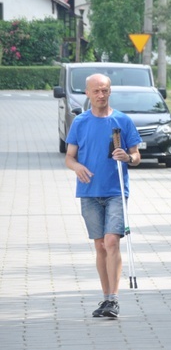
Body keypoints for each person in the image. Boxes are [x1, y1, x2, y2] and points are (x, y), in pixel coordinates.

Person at [65, 73, 142, 319]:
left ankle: (114, 299)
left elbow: (136, 155)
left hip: (115, 190)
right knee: (99, 245)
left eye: (105, 90)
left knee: (111, 241)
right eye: (96, 91)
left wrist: (128, 158)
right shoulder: (80, 122)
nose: (101, 95)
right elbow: (69, 157)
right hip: (89, 191)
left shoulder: (122, 121)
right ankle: (106, 296)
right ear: (87, 93)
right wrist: (77, 167)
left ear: (110, 92)